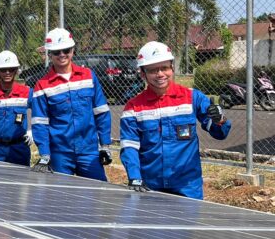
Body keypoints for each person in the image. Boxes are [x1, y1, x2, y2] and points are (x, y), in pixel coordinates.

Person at [120, 41, 231, 200]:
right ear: (143, 74)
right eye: (153, 70)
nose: (160, 74)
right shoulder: (133, 108)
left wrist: (220, 119)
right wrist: (134, 176)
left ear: (172, 68)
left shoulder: (193, 98)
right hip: (150, 186)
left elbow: (219, 133)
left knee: (188, 225)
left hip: (187, 186)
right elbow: (129, 146)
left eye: (164, 68)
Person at [31, 28, 112, 180]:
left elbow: (101, 112)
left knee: (97, 192)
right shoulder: (42, 85)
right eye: (56, 52)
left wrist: (105, 145)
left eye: (66, 50)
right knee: (61, 197)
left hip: (89, 151)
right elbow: (40, 123)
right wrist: (44, 153)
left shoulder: (88, 76)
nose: (62, 55)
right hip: (60, 153)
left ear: (73, 50)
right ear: (50, 54)